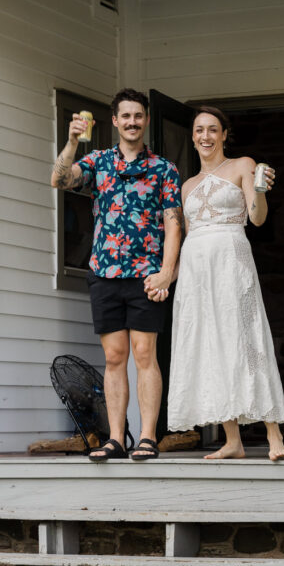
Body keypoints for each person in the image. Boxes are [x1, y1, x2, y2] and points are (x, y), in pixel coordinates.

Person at [51, 89, 182, 462]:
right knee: (114, 357)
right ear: (114, 121)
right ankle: (115, 439)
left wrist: (167, 273)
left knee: (144, 353)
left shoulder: (163, 169)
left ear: (145, 119)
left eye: (138, 116)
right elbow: (59, 180)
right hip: (105, 272)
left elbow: (174, 225)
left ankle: (147, 437)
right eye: (125, 116)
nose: (132, 122)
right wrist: (72, 141)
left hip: (146, 276)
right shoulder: (98, 162)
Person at [158, 106, 284, 461]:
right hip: (197, 270)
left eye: (213, 130)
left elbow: (257, 218)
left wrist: (259, 190)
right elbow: (184, 239)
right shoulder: (187, 186)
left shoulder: (243, 165)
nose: (205, 137)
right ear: (193, 135)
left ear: (224, 134)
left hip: (231, 259)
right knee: (211, 346)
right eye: (199, 130)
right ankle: (233, 440)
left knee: (246, 337)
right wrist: (168, 278)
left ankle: (273, 432)